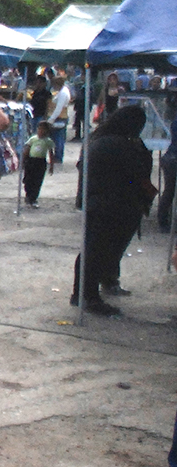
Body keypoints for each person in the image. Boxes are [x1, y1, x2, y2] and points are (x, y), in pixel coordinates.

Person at [74, 104, 153, 315]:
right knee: (100, 250)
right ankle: (88, 296)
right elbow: (138, 174)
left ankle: (86, 291)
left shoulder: (97, 139)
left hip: (97, 201)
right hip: (114, 204)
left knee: (93, 248)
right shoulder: (124, 145)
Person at [23, 120, 54, 208]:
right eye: (39, 129)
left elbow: (51, 153)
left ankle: (33, 198)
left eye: (43, 130)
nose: (41, 131)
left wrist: (51, 166)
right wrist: (23, 161)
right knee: (28, 179)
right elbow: (27, 150)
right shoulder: (33, 139)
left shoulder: (48, 141)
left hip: (40, 162)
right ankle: (28, 195)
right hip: (31, 161)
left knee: (37, 180)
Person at [47, 75, 72, 170]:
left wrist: (51, 119)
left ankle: (58, 156)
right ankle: (57, 156)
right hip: (59, 117)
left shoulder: (63, 93)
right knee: (57, 137)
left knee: (58, 138)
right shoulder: (62, 91)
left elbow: (59, 108)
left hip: (60, 117)